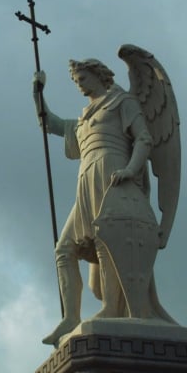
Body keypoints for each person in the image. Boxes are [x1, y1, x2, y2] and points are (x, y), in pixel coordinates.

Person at [33, 59, 158, 346]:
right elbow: (47, 122)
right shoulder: (84, 118)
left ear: (98, 74)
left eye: (82, 78)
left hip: (112, 174)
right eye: (76, 81)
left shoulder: (121, 101)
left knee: (106, 240)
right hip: (86, 180)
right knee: (64, 249)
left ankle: (112, 308)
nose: (79, 84)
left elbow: (144, 138)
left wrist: (130, 169)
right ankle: (70, 317)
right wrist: (38, 92)